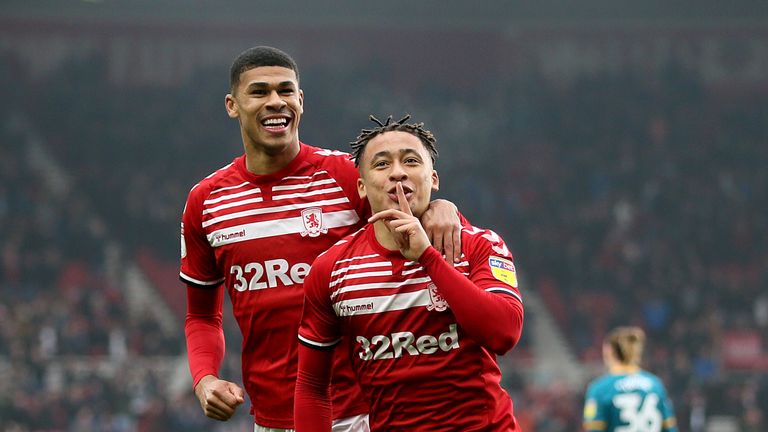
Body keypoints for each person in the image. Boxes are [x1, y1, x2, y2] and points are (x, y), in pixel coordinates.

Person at [179, 47, 464, 431]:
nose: (275, 102)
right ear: (233, 105)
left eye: (286, 91)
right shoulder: (206, 201)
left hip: (366, 412)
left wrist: (441, 207)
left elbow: (409, 211)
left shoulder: (346, 176)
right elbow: (201, 314)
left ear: (300, 101)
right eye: (259, 92)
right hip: (272, 419)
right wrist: (205, 378)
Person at [295, 115, 524, 430]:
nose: (398, 172)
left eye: (411, 161)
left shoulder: (479, 245)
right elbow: (312, 385)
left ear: (433, 179)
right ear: (361, 186)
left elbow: (505, 333)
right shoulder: (331, 269)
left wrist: (427, 257)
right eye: (382, 164)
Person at [583, 326, 678, 432]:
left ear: (609, 351)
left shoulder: (600, 389)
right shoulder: (655, 385)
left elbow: (594, 429)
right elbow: (670, 428)